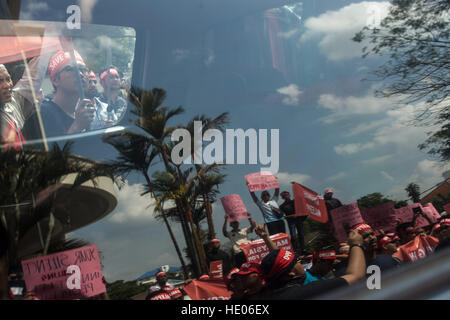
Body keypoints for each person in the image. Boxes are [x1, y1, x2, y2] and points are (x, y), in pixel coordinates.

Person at [245, 230, 366, 300]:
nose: (300, 264)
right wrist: (356, 244)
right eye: (297, 262)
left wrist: (266, 237)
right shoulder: (309, 290)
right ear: (290, 273)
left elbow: (279, 261)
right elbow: (356, 276)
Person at [22, 50, 95, 143]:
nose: (80, 74)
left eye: (84, 69)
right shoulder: (40, 115)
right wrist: (76, 127)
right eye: (71, 69)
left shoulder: (83, 113)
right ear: (55, 80)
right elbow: (49, 155)